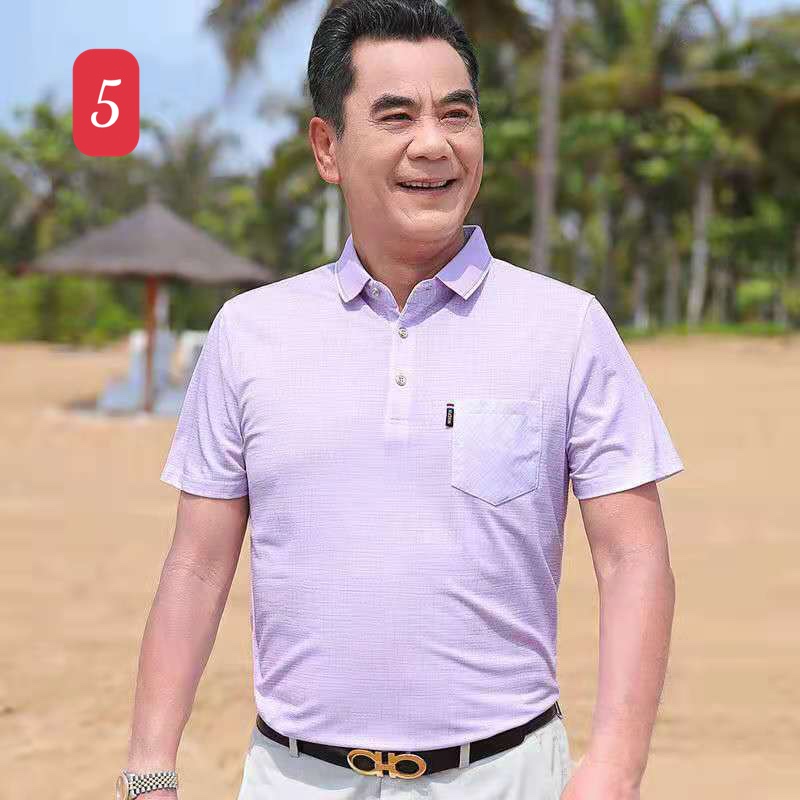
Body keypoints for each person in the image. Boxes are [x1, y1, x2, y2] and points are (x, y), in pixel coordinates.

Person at [120, 1, 685, 798]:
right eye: (397, 116)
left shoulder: (566, 329)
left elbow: (633, 558)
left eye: (457, 113)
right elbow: (197, 565)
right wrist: (148, 769)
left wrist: (616, 768)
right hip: (294, 778)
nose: (434, 143)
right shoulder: (249, 333)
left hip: (507, 776)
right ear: (328, 147)